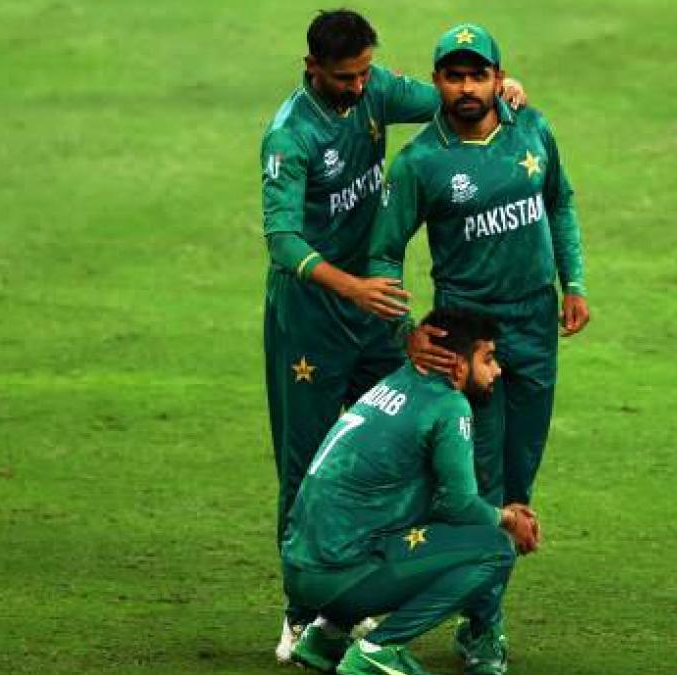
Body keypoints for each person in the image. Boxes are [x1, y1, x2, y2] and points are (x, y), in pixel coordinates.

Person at [259, 9, 527, 660]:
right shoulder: (290, 136)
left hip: (376, 313)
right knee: (308, 462)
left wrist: (501, 88)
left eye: (363, 73)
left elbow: (448, 95)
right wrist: (352, 286)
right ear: (311, 67)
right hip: (312, 320)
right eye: (343, 78)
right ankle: (300, 613)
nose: (358, 87)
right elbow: (282, 240)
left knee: (403, 444)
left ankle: (353, 599)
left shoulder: (375, 88)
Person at [366, 23, 590, 674]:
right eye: (454, 76)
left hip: (535, 326)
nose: (466, 87)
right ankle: (484, 626)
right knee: (483, 482)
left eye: (477, 75)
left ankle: (469, 613)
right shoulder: (421, 162)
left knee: (520, 476)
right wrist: (404, 329)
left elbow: (560, 203)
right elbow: (383, 253)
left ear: (498, 76)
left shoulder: (532, 129)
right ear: (437, 82)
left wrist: (573, 282)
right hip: (468, 342)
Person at [281, 307, 541, 675]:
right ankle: (377, 649)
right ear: (457, 365)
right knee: (495, 549)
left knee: (406, 524)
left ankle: (325, 637)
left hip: (299, 571)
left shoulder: (394, 383)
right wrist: (508, 519)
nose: (497, 370)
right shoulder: (448, 405)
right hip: (340, 577)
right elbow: (458, 504)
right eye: (488, 358)